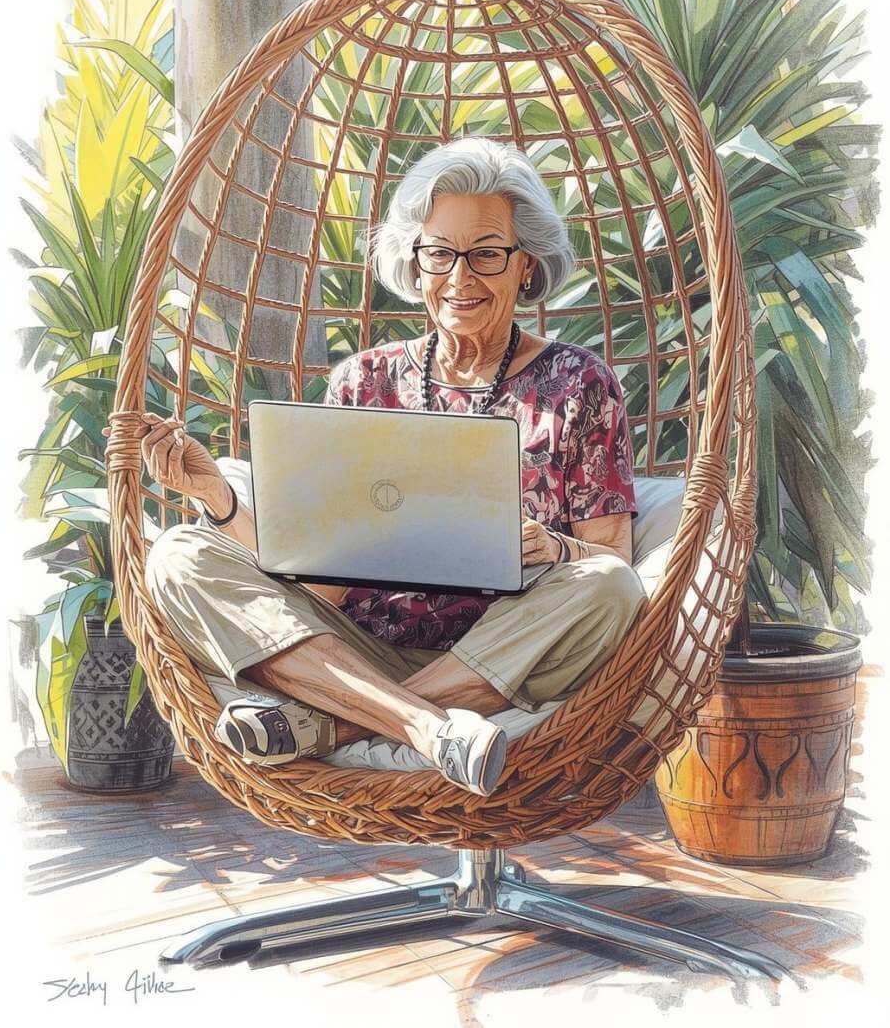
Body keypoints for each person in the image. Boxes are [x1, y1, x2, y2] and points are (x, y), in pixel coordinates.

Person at [124, 137, 647, 799]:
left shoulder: (581, 385)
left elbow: (615, 563)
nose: (460, 278)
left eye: (486, 253)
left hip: (504, 651)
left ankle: (326, 723)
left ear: (527, 266)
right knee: (176, 555)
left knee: (607, 587)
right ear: (415, 259)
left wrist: (554, 547)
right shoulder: (362, 382)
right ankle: (429, 728)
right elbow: (318, 587)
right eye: (439, 253)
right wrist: (218, 499)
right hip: (349, 644)